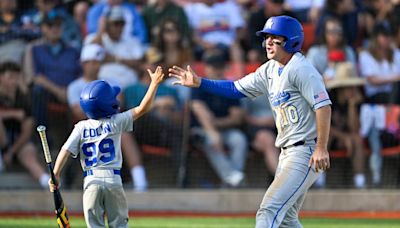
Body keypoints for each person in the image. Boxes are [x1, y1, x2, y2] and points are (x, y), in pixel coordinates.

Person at [169, 15, 332, 227]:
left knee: (268, 211)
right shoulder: (270, 68)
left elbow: (323, 106)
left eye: (275, 38)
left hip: (305, 151)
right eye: (267, 38)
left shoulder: (302, 69)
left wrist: (321, 148)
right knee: (286, 220)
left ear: (291, 40)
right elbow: (235, 89)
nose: (269, 42)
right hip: (287, 151)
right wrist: (201, 82)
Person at [48, 67, 165, 227]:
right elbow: (143, 108)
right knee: (119, 224)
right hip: (113, 180)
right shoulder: (116, 121)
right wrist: (154, 84)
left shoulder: (80, 127)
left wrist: (55, 174)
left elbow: (65, 150)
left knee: (94, 225)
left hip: (91, 181)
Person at [67, 44, 148, 191]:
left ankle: (140, 181)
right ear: (84, 63)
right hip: (87, 129)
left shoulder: (108, 81)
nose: (96, 66)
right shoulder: (75, 86)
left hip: (110, 125)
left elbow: (119, 101)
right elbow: (77, 111)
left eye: (98, 62)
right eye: (92, 62)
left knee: (124, 134)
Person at [190, 49, 248, 188]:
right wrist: (212, 131)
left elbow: (236, 118)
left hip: (224, 130)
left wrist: (215, 123)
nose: (216, 70)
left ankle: (232, 179)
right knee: (210, 140)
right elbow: (200, 111)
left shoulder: (230, 86)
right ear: (206, 67)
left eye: (219, 67)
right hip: (200, 130)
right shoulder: (198, 85)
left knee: (239, 139)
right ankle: (233, 178)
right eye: (212, 67)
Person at [0, 61, 50, 188]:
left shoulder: (23, 98)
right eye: (10, 77)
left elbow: (28, 128)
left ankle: (47, 182)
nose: (14, 81)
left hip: (16, 141)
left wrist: (11, 151)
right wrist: (13, 114)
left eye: (17, 77)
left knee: (29, 152)